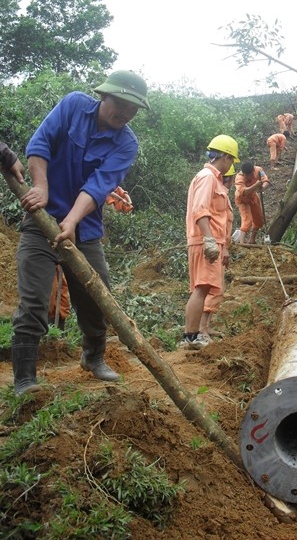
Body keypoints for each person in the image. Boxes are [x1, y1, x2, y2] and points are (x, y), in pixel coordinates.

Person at [11, 70, 150, 395]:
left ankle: (93, 357)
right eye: (121, 103)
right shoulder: (73, 105)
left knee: (97, 294)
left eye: (133, 108)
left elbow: (99, 186)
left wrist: (71, 222)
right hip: (40, 221)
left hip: (84, 230)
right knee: (33, 300)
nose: (126, 112)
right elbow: (40, 144)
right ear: (105, 95)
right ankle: (25, 379)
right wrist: (41, 188)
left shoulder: (127, 143)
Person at [181, 134, 239, 350]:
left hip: (209, 241)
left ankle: (192, 336)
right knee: (201, 287)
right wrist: (208, 239)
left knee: (203, 288)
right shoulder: (207, 177)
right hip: (205, 242)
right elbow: (200, 209)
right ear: (224, 156)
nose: (230, 165)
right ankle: (192, 336)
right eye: (231, 160)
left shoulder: (211, 178)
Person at [199, 164, 236, 337]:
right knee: (210, 287)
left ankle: (207, 326)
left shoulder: (224, 195)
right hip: (213, 245)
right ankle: (201, 329)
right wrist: (211, 242)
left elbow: (226, 226)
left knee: (217, 288)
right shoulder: (212, 188)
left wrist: (226, 248)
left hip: (221, 244)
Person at [235, 161, 270, 244]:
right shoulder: (239, 177)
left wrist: (263, 188)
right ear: (243, 174)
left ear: (253, 171)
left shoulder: (259, 170)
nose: (249, 177)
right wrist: (256, 185)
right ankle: (242, 243)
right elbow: (243, 192)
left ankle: (252, 240)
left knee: (258, 220)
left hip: (253, 197)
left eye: (250, 174)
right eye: (246, 175)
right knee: (247, 220)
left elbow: (266, 181)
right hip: (242, 200)